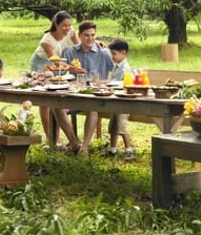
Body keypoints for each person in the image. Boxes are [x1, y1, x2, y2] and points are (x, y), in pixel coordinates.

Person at [30, 11, 82, 151]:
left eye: (69, 25)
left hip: (59, 65)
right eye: (64, 26)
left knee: (57, 97)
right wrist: (71, 68)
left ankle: (57, 136)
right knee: (45, 102)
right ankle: (51, 138)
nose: (67, 28)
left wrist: (96, 43)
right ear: (56, 24)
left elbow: (79, 47)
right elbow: (55, 61)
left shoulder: (71, 31)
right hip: (42, 64)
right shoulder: (47, 40)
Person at [61, 21, 113, 155]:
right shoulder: (69, 52)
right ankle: (73, 142)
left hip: (95, 97)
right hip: (74, 95)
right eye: (86, 35)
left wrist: (104, 82)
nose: (90, 39)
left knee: (92, 107)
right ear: (79, 35)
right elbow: (58, 73)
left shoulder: (104, 53)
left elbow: (117, 74)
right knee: (55, 107)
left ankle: (84, 148)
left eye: (92, 35)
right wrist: (69, 69)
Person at [106, 38, 136, 160]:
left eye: (114, 54)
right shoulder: (117, 66)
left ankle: (128, 148)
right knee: (113, 123)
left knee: (121, 124)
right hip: (116, 99)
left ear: (123, 53)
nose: (112, 56)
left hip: (124, 101)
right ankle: (113, 149)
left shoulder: (125, 68)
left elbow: (128, 84)